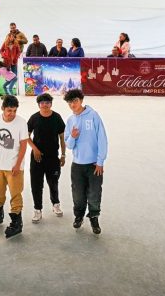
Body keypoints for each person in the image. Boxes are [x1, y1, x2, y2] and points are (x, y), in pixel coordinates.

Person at [0, 95, 29, 239]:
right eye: (9, 110)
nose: (12, 114)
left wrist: (18, 164)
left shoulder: (21, 122)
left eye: (14, 111)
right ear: (2, 108)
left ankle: (16, 223)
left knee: (15, 195)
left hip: (14, 167)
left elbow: (23, 145)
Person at [63, 89, 108, 235]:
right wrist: (73, 136)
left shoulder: (93, 115)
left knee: (94, 193)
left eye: (75, 101)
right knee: (78, 194)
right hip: (77, 165)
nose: (73, 104)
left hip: (94, 164)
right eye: (70, 102)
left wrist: (100, 161)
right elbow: (69, 145)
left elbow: (102, 138)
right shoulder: (70, 120)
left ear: (81, 100)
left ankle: (94, 218)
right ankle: (79, 216)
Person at [26, 93, 67, 223]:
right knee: (36, 184)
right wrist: (35, 149)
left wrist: (63, 155)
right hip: (37, 158)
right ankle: (37, 209)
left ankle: (56, 204)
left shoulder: (57, 117)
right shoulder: (34, 118)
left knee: (53, 182)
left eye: (47, 102)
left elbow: (62, 138)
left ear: (51, 104)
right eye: (42, 103)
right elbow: (26, 136)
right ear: (39, 104)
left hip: (53, 157)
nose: (45, 105)